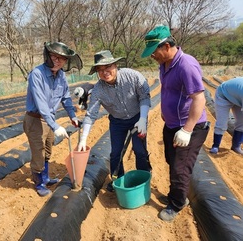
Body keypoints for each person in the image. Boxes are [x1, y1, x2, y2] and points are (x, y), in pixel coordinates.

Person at [141, 25, 210, 222]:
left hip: (190, 128)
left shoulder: (186, 65)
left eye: (154, 51)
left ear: (167, 46)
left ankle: (178, 203)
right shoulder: (164, 64)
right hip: (172, 125)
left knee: (180, 168)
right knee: (172, 162)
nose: (152, 56)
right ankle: (175, 196)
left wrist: (187, 130)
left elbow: (198, 98)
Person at [77, 50, 152, 192]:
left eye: (108, 67)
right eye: (100, 70)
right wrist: (83, 139)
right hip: (117, 122)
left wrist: (143, 118)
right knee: (116, 153)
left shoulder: (132, 76)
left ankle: (144, 176)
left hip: (138, 117)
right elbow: (91, 114)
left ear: (115, 65)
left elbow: (144, 96)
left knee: (140, 150)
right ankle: (118, 179)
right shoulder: (99, 89)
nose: (105, 72)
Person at [23, 41, 82, 197]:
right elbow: (41, 106)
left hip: (49, 119)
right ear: (47, 56)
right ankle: (39, 183)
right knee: (39, 152)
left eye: (62, 58)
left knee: (48, 149)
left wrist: (73, 116)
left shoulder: (61, 75)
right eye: (54, 57)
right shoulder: (37, 74)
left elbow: (66, 98)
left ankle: (46, 177)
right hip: (36, 119)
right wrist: (56, 127)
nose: (58, 61)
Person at [209, 77, 243, 154]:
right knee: (222, 123)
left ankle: (236, 147)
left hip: (237, 97)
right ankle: (215, 146)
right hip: (224, 95)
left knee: (241, 122)